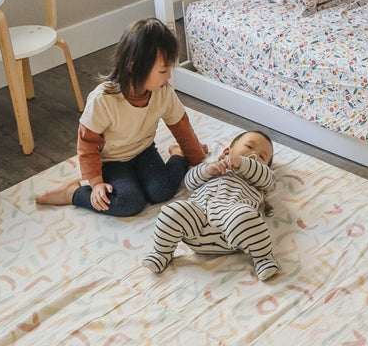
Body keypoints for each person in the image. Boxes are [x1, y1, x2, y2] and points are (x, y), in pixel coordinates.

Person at [36, 18, 207, 217]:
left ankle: (177, 153)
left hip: (144, 152)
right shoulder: (104, 100)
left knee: (161, 191)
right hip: (112, 161)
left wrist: (198, 159)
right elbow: (87, 144)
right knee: (130, 203)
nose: (168, 77)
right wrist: (96, 183)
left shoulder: (163, 93)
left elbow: (181, 126)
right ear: (134, 68)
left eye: (169, 70)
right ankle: (73, 193)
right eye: (163, 71)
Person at [142, 130, 279, 280]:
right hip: (196, 221)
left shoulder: (259, 179)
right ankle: (161, 254)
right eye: (249, 146)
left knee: (245, 217)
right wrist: (208, 170)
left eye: (262, 156)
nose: (254, 154)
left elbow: (267, 179)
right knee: (173, 211)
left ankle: (263, 259)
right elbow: (189, 181)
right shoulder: (211, 167)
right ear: (227, 151)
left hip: (231, 230)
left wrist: (243, 163)